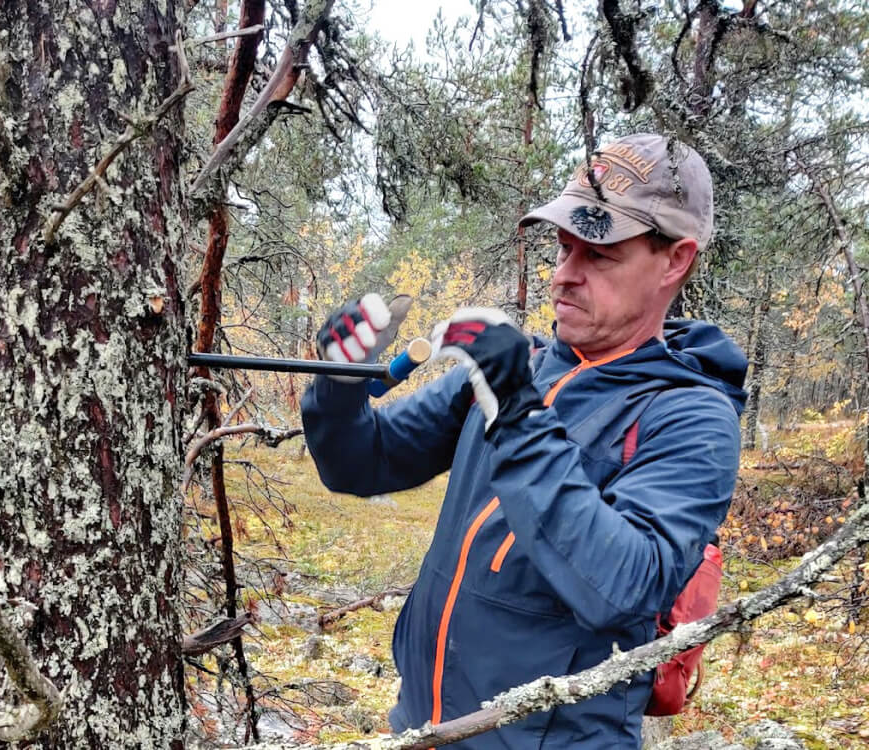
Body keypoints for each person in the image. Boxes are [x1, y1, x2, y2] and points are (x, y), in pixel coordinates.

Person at [301, 133, 747, 748]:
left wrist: (515, 409)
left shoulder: (692, 416)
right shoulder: (527, 364)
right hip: (424, 726)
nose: (564, 275)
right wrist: (337, 383)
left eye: (599, 254)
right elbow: (364, 462)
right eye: (564, 248)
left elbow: (622, 587)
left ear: (675, 260)